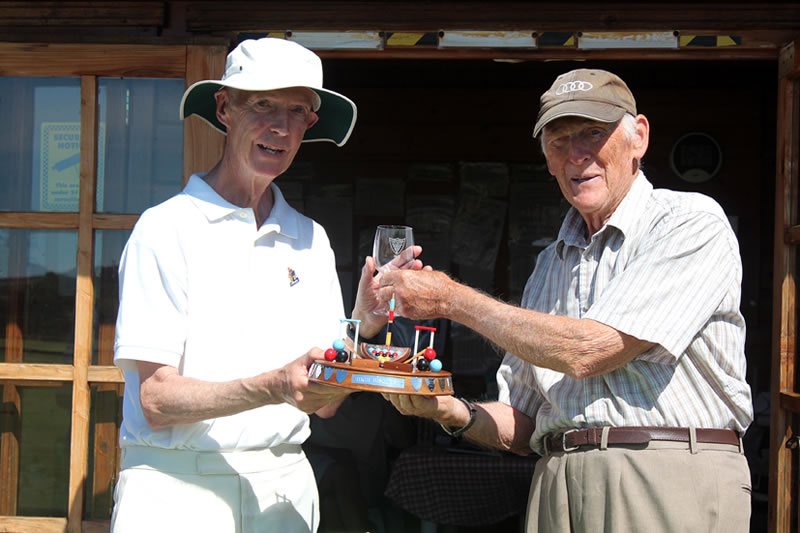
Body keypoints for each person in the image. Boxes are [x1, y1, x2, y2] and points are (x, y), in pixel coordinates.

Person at [379, 69, 754, 532]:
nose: (578, 155)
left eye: (594, 133)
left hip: (664, 473)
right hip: (557, 479)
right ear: (547, 159)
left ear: (638, 137)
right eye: (559, 140)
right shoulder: (548, 265)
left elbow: (589, 351)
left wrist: (451, 299)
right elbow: (524, 422)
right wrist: (449, 410)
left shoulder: (689, 222)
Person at [110, 37, 419, 533]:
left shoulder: (310, 237)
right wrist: (274, 385)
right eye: (262, 104)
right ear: (224, 108)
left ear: (311, 124)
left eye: (297, 110)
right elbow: (157, 401)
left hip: (284, 487)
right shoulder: (165, 227)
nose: (280, 125)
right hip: (175, 492)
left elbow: (327, 401)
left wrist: (363, 324)